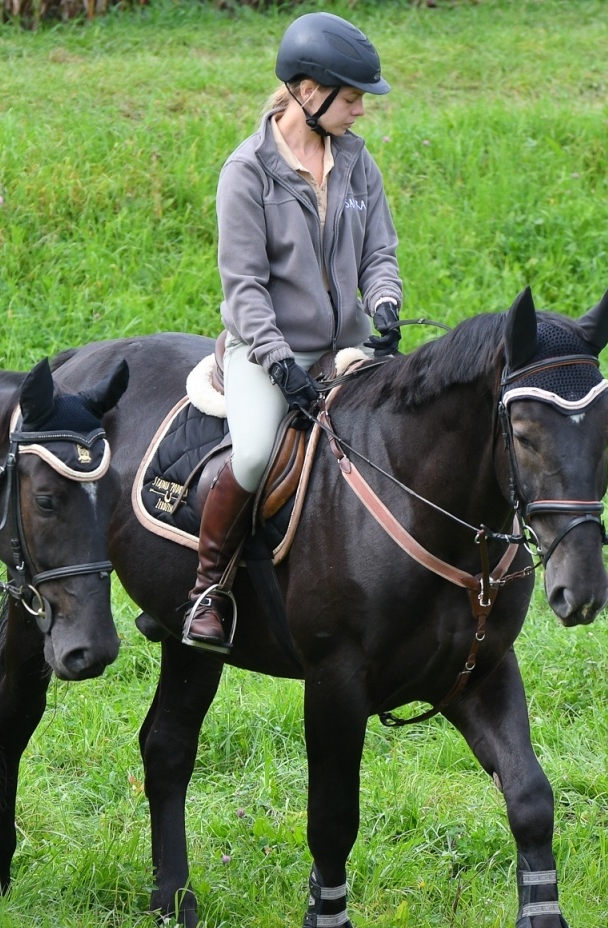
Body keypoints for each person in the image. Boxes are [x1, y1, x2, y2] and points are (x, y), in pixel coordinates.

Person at [183, 11, 403, 653]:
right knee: (253, 452)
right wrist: (280, 365)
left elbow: (379, 254)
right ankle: (208, 589)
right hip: (266, 353)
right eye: (354, 96)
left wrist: (384, 302)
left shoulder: (358, 162)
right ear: (309, 92)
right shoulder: (245, 172)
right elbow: (244, 289)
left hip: (347, 350)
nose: (361, 109)